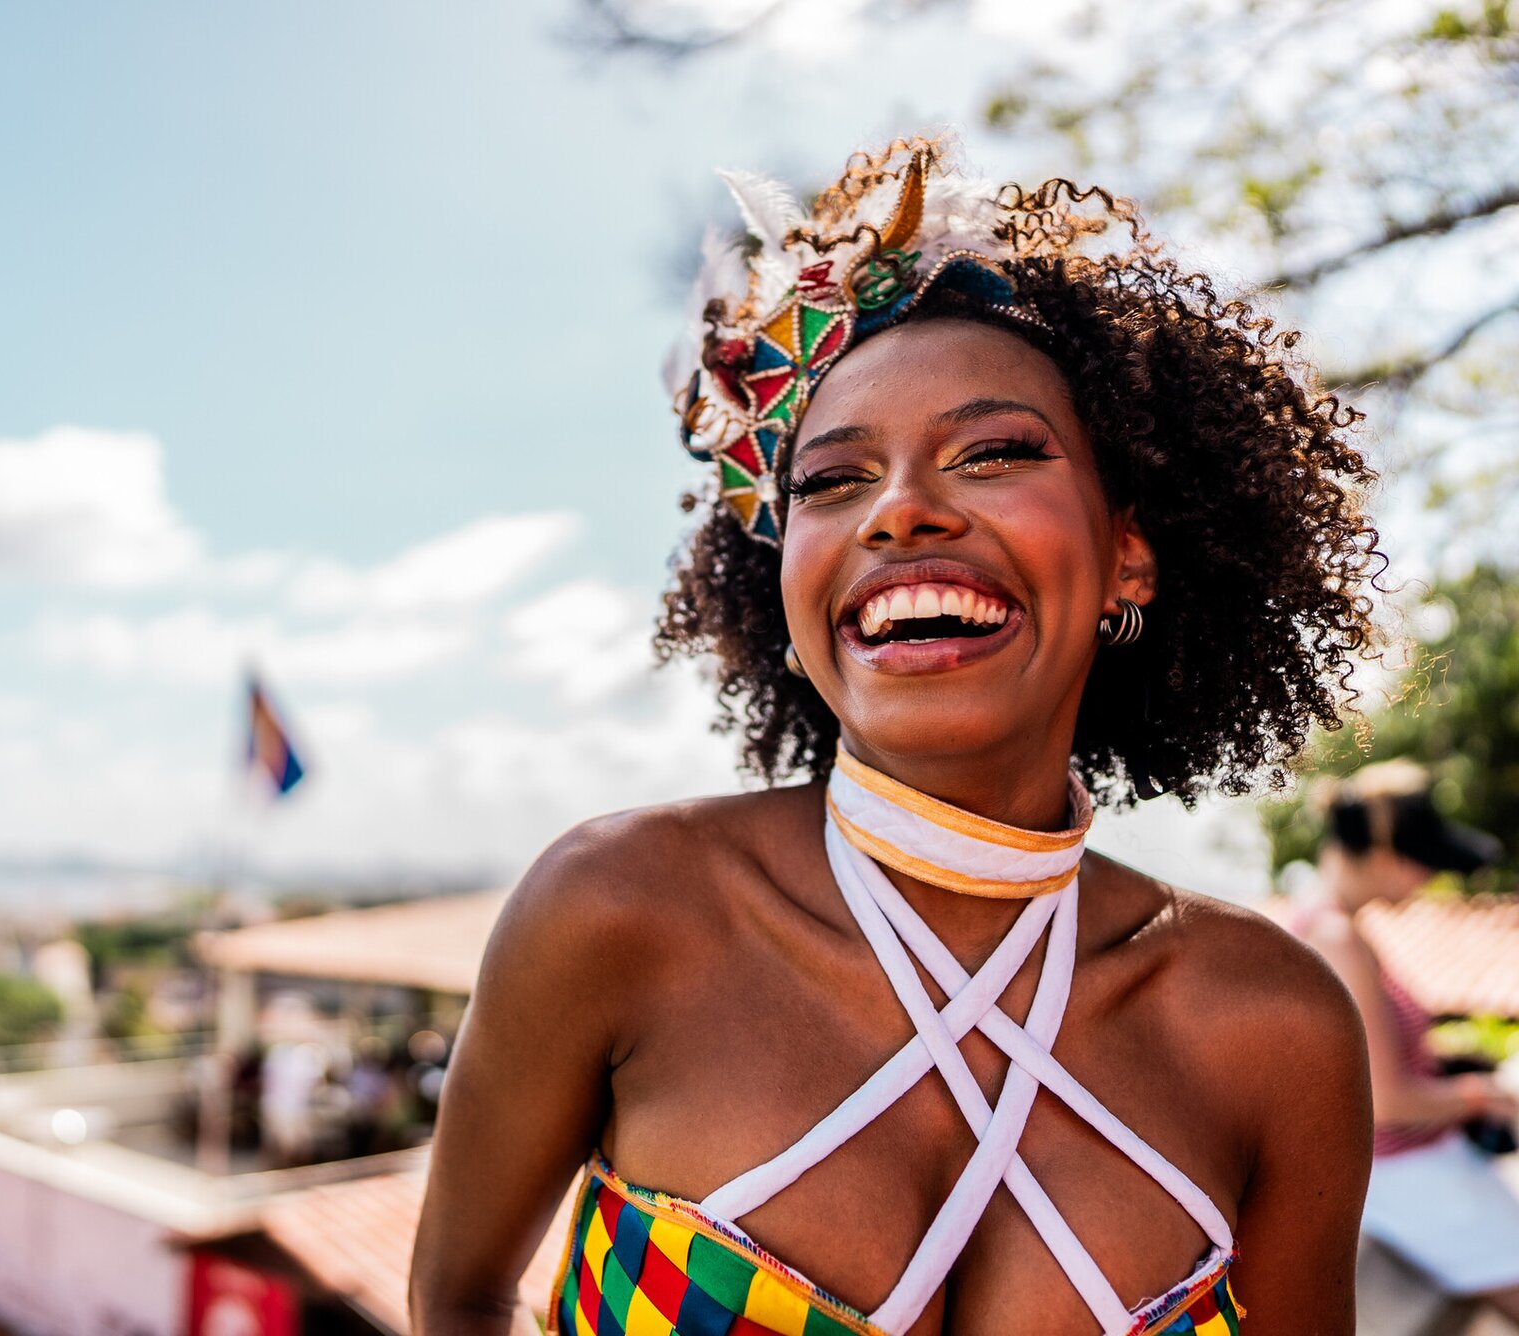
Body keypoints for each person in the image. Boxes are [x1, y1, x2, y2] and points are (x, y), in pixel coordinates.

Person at [409, 137, 1380, 1336]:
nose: (900, 510)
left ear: (1128, 551)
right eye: (829, 480)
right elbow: (454, 1300)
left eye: (993, 452)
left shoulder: (1272, 1026)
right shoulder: (619, 909)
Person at [1287, 761, 1519, 1318]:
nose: (1431, 879)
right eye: (1425, 863)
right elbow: (1386, 1103)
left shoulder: (1328, 925)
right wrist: (1486, 1096)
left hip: (1413, 1165)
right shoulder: (1336, 938)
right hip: (1400, 1171)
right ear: (1388, 859)